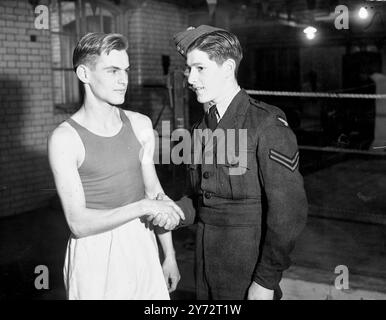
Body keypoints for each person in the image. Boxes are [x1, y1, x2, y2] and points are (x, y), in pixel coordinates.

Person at [172, 25, 308, 300]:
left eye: (199, 68)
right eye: (189, 69)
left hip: (247, 269)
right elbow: (202, 199)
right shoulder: (201, 128)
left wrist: (266, 281)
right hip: (205, 265)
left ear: (227, 67)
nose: (190, 78)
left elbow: (289, 213)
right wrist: (170, 212)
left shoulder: (266, 124)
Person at [47, 32, 185, 300]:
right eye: (112, 71)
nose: (123, 80)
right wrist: (145, 207)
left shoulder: (141, 124)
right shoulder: (64, 138)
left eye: (126, 70)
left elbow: (154, 192)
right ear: (85, 74)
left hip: (142, 242)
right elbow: (78, 223)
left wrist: (169, 254)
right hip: (94, 252)